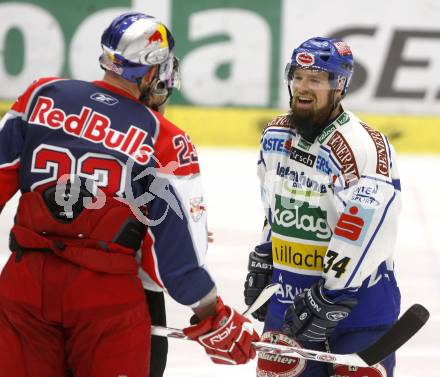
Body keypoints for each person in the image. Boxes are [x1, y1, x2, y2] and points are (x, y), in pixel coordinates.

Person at [0, 12, 259, 377]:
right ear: (152, 71)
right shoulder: (165, 138)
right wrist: (211, 313)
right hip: (105, 302)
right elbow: (173, 263)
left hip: (24, 286)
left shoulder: (41, 95)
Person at [244, 37, 401, 377]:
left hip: (357, 311)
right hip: (288, 305)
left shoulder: (362, 147)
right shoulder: (275, 135)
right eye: (298, 76)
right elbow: (275, 203)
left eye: (315, 79)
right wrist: (264, 255)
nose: (302, 87)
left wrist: (332, 295)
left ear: (339, 86)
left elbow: (367, 227)